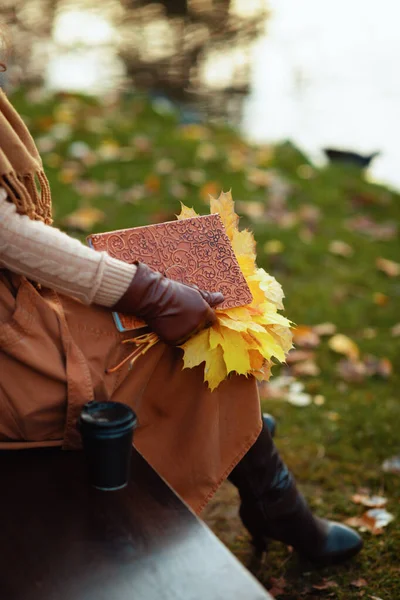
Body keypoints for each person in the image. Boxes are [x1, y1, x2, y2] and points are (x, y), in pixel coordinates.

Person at [0, 71, 362, 566]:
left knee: (214, 297)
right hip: (9, 347)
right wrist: (146, 291)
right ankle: (271, 491)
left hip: (14, 301)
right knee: (202, 336)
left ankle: (256, 457)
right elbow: (6, 233)